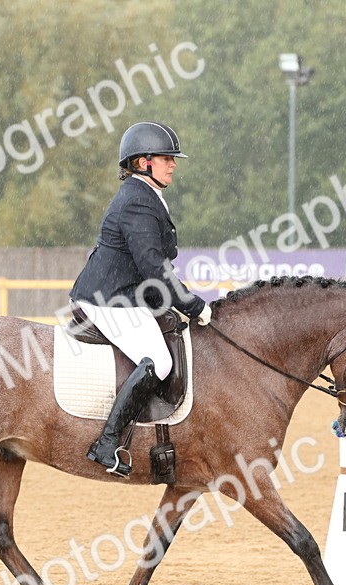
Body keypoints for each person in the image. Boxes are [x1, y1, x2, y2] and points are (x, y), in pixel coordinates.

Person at [69, 121, 212, 477]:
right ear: (143, 162)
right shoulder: (137, 200)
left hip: (125, 295)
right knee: (159, 362)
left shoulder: (145, 195)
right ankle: (106, 443)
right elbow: (153, 266)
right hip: (107, 299)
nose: (173, 164)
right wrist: (191, 304)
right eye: (166, 158)